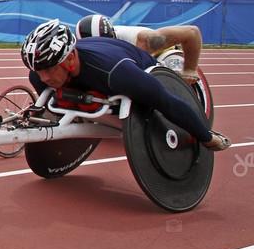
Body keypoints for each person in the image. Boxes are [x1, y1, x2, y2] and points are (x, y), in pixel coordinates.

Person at [21, 19, 229, 153]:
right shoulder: (38, 75)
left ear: (70, 58)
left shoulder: (121, 70)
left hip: (133, 62)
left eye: (49, 69)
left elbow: (166, 101)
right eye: (39, 69)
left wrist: (207, 137)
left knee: (152, 95)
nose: (43, 77)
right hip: (104, 58)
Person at [74, 14, 205, 85]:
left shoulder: (146, 40)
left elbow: (192, 33)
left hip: (153, 54)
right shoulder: (78, 48)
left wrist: (190, 69)